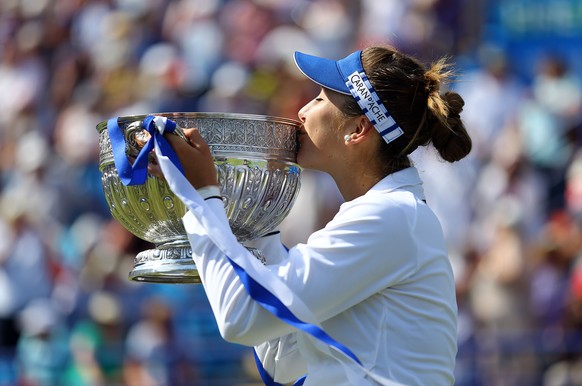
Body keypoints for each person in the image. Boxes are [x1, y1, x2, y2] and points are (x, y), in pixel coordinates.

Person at [150, 45, 472, 385]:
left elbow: (239, 317)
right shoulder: (386, 216)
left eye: (320, 99)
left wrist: (200, 194)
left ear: (358, 130)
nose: (302, 111)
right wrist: (256, 215)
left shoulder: (390, 216)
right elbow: (282, 359)